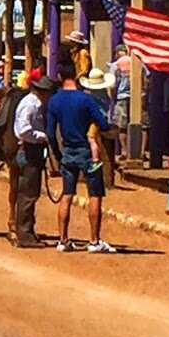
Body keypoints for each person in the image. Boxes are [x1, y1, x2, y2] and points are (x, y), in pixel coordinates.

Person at [46, 69, 114, 253]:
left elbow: (50, 132)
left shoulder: (54, 101)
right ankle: (94, 241)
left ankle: (63, 239)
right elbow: (104, 124)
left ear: (60, 77)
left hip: (68, 151)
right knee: (95, 195)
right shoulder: (86, 100)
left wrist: (57, 155)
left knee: (67, 194)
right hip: (86, 150)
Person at [11, 74, 56, 247]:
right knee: (28, 193)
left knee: (30, 191)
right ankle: (25, 234)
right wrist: (41, 136)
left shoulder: (32, 103)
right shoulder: (30, 105)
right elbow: (23, 130)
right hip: (29, 150)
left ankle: (27, 230)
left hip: (31, 149)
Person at [81, 66, 119, 189]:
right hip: (101, 118)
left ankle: (95, 159)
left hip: (94, 120)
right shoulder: (103, 94)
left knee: (91, 138)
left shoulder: (89, 95)